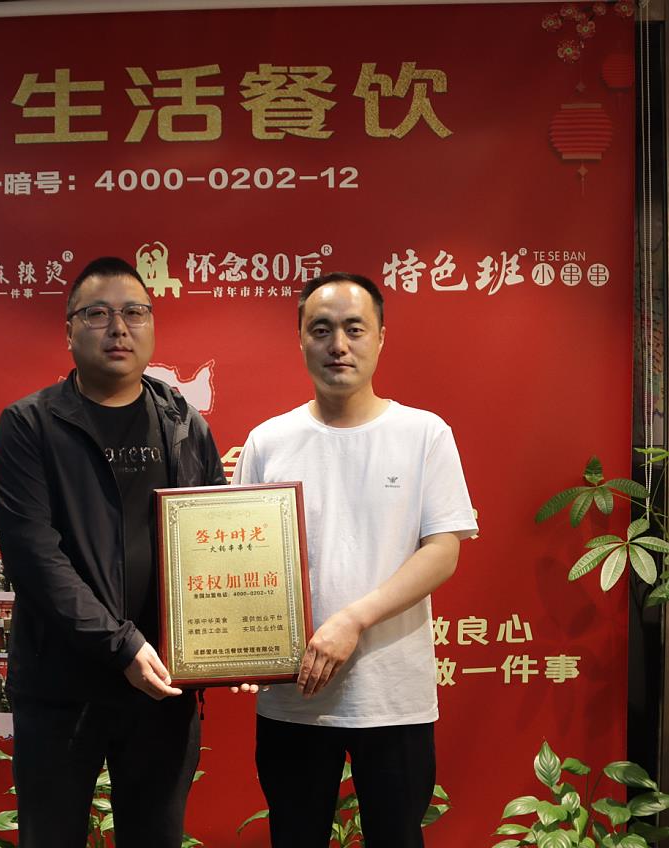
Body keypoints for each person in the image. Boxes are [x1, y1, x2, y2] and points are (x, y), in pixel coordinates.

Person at [234, 272, 477, 848]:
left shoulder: (424, 434)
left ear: (381, 337)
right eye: (321, 330)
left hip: (392, 696)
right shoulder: (268, 441)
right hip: (294, 696)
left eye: (354, 328)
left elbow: (442, 550)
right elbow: (245, 557)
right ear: (301, 340)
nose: (337, 345)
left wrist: (352, 619)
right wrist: (243, 645)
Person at [0, 256, 225, 848]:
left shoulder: (183, 424)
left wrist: (235, 643)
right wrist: (121, 645)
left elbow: (214, 538)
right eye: (98, 314)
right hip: (60, 687)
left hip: (163, 684)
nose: (119, 328)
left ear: (152, 326)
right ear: (69, 331)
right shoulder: (29, 426)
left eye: (134, 313)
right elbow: (34, 557)